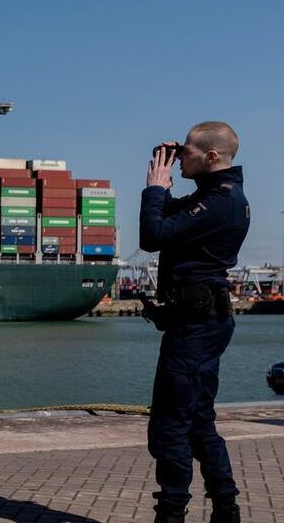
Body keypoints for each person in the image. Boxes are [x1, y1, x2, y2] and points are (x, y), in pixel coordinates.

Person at [140, 121, 249, 523]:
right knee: (199, 420)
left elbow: (153, 234)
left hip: (197, 326)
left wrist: (154, 190)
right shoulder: (213, 196)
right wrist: (162, 174)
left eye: (186, 151)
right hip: (199, 321)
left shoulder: (221, 201)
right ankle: (226, 509)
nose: (181, 156)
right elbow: (172, 219)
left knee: (170, 427)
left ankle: (171, 515)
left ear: (212, 156)